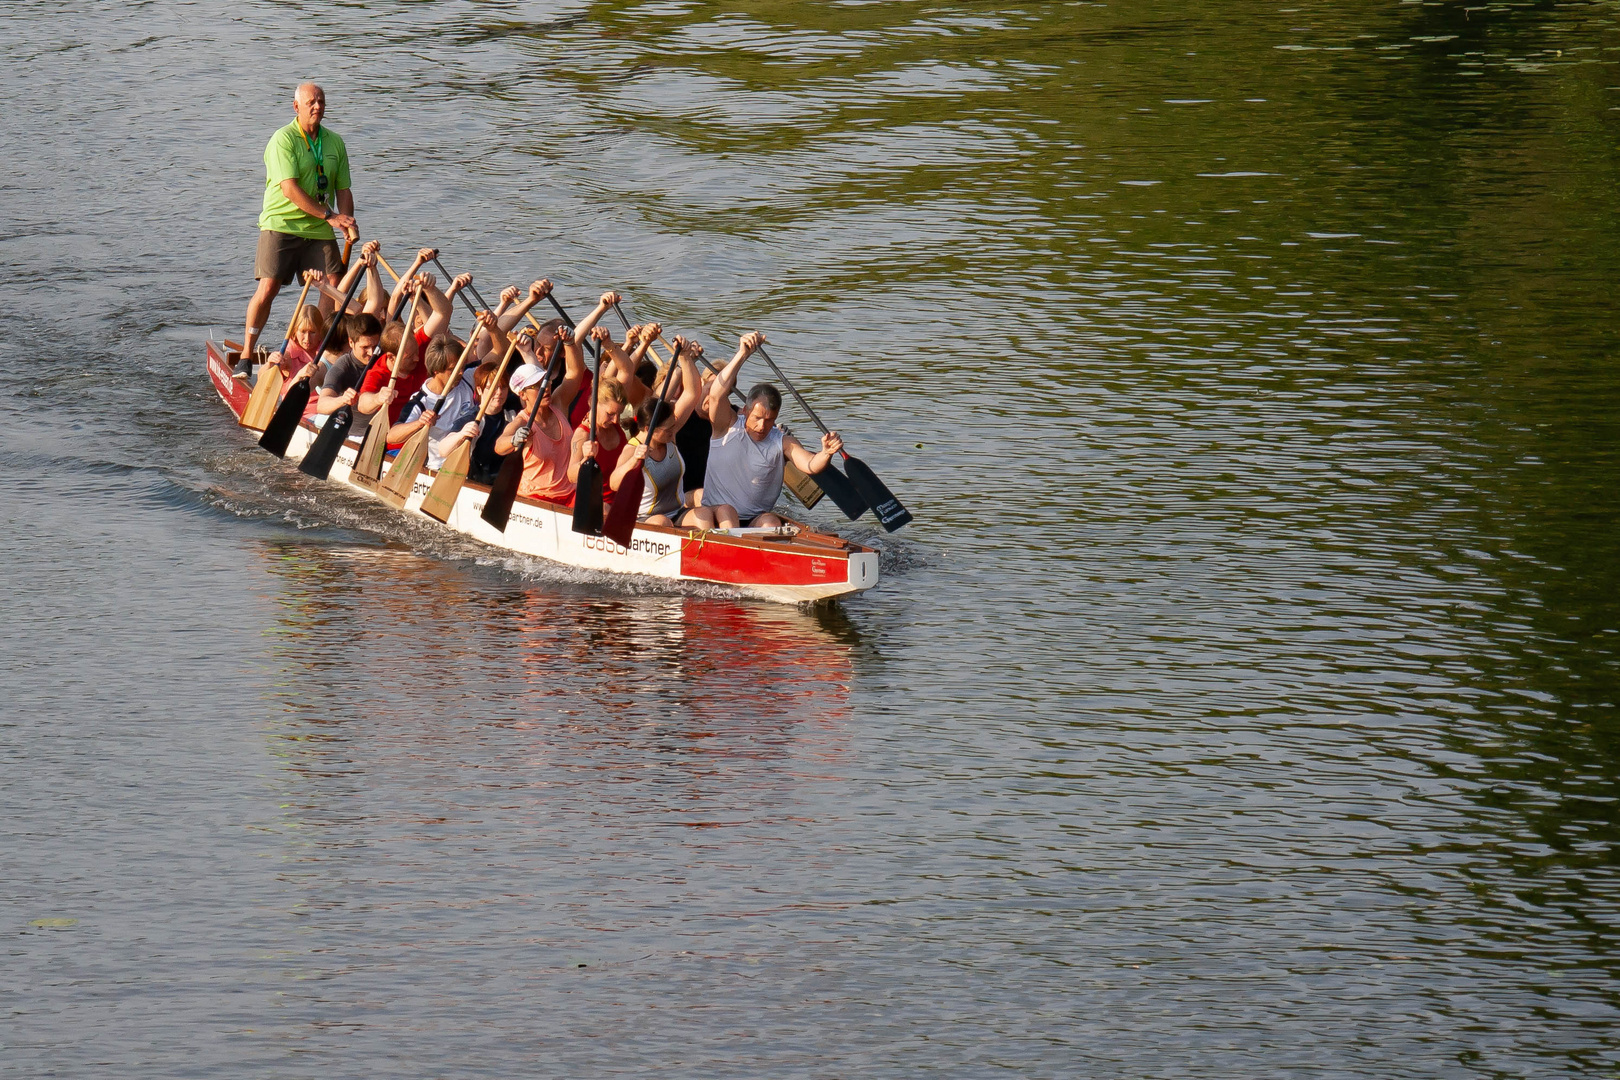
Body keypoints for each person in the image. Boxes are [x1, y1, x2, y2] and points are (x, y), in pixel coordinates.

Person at [241, 83, 357, 365]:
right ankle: (246, 353)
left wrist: (347, 223)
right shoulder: (284, 139)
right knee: (269, 287)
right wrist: (331, 216)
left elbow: (343, 189)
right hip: (281, 224)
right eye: (310, 102)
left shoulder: (335, 142)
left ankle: (317, 352)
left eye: (321, 101)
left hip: (318, 228)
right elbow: (290, 189)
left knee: (332, 283)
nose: (317, 106)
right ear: (296, 107)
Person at [700, 332, 844, 529]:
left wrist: (826, 453)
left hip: (754, 521)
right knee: (728, 512)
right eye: (757, 418)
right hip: (718, 516)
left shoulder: (782, 441)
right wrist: (743, 354)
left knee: (771, 522)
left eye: (769, 420)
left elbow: (811, 465)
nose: (762, 427)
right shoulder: (726, 425)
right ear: (745, 410)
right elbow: (716, 394)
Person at [612, 339, 718, 529]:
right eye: (667, 429)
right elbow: (614, 484)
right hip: (644, 519)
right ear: (648, 429)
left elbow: (692, 394)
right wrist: (633, 462)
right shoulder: (632, 449)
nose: (673, 431)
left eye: (672, 427)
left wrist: (686, 359)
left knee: (704, 514)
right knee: (662, 522)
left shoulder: (670, 434)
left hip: (675, 513)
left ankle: (706, 554)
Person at [498, 324, 589, 505]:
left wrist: (570, 343)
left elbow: (575, 372)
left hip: (570, 493)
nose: (545, 388)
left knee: (603, 508)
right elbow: (499, 446)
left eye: (545, 382)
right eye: (536, 386)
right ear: (522, 394)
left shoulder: (558, 404)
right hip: (536, 498)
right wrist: (514, 440)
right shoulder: (522, 422)